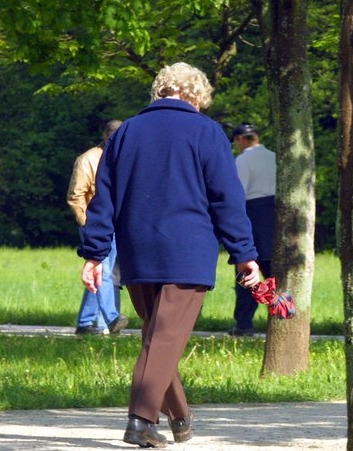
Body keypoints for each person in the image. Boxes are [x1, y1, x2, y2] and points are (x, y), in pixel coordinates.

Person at [79, 62, 261, 447]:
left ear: (160, 91)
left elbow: (103, 198)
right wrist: (245, 253)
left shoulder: (126, 131)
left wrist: (94, 254)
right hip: (187, 252)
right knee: (162, 340)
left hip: (137, 251)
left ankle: (179, 417)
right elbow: (227, 199)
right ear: (196, 95)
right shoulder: (207, 132)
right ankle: (141, 419)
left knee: (157, 338)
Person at [67, 120, 128, 335]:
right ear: (105, 136)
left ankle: (85, 324)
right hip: (96, 226)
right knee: (102, 273)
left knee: (104, 273)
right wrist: (89, 227)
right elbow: (76, 197)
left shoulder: (123, 158)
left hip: (117, 226)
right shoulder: (87, 159)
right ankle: (111, 319)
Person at [230, 123, 277, 336]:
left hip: (253, 214)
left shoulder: (243, 160)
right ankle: (281, 315)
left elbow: (238, 192)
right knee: (273, 272)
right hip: (276, 215)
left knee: (247, 268)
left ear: (241, 139)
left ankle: (244, 322)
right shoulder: (274, 156)